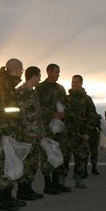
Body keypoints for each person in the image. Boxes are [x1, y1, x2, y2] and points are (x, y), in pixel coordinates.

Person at [0, 58, 27, 211]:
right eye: (21, 70)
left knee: (10, 164)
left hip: (11, 131)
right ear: (15, 69)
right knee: (4, 165)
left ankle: (8, 196)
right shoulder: (2, 85)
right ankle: (1, 200)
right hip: (6, 132)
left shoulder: (9, 85)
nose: (22, 73)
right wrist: (10, 128)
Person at [35, 64, 71, 193]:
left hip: (59, 126)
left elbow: (65, 103)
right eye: (56, 72)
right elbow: (36, 107)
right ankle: (48, 184)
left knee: (60, 152)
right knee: (47, 154)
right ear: (49, 72)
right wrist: (52, 113)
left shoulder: (61, 88)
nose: (58, 74)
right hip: (46, 127)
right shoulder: (40, 88)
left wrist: (64, 112)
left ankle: (57, 182)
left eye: (59, 72)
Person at [15, 67, 48, 199]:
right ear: (33, 77)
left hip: (35, 135)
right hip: (26, 135)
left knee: (34, 163)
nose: (40, 79)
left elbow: (37, 115)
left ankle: (28, 188)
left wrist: (42, 132)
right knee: (26, 163)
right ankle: (22, 191)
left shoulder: (33, 93)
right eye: (39, 76)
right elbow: (19, 114)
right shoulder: (20, 92)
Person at [64, 75, 97, 189]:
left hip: (81, 135)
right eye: (72, 82)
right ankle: (61, 181)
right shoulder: (67, 99)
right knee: (65, 159)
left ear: (81, 83)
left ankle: (78, 180)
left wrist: (88, 132)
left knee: (81, 158)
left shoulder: (87, 99)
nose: (74, 84)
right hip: (68, 134)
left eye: (76, 82)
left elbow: (92, 117)